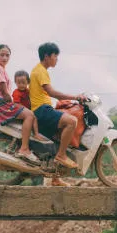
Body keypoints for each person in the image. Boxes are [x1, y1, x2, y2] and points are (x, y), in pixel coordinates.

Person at [29, 42, 85, 173]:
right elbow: (52, 92)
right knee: (72, 121)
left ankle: (55, 178)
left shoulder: (39, 70)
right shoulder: (41, 71)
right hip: (42, 110)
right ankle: (61, 155)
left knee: (57, 140)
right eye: (55, 56)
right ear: (47, 56)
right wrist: (76, 97)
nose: (57, 59)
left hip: (43, 109)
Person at [0, 45, 39, 163]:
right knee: (29, 115)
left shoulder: (1, 69)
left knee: (26, 114)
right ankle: (24, 149)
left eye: (7, 55)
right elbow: (5, 92)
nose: (4, 57)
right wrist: (14, 104)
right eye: (1, 55)